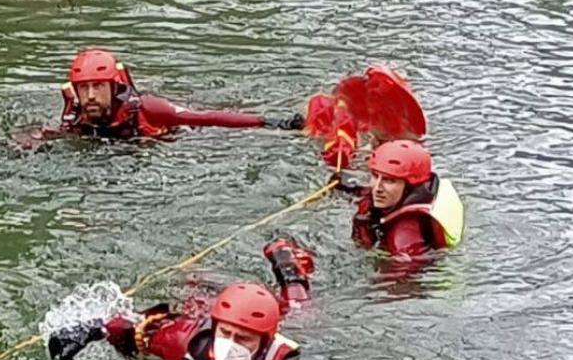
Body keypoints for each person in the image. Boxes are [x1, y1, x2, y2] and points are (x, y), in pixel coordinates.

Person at [47, 240, 326, 360]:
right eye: (226, 334)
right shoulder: (185, 339)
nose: (230, 345)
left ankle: (290, 270)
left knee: (300, 312)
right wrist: (95, 330)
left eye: (244, 340)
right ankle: (196, 277)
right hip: (201, 311)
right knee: (197, 296)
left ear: (265, 343)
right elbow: (134, 329)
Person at [24, 48, 302, 145]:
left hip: (182, 138)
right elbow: (54, 134)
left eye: (98, 87)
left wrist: (274, 123)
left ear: (113, 86)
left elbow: (208, 118)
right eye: (84, 88)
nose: (91, 96)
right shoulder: (77, 116)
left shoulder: (148, 108)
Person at [347, 140, 464, 257]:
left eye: (389, 180)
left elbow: (399, 273)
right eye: (375, 176)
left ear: (409, 187)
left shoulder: (403, 239)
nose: (377, 188)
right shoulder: (423, 188)